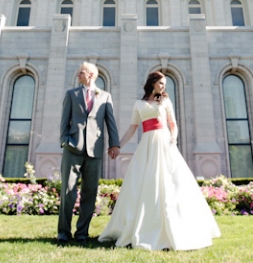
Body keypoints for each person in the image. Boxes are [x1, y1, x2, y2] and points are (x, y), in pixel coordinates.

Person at [98, 71, 221, 250]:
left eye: (165, 84)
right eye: (161, 83)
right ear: (153, 83)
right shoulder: (139, 104)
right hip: (147, 144)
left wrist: (173, 138)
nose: (163, 86)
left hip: (164, 142)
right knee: (142, 182)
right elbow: (132, 129)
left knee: (169, 181)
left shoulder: (165, 101)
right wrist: (117, 145)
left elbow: (173, 124)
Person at [58, 62, 120, 244]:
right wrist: (64, 140)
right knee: (68, 191)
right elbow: (64, 120)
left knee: (90, 193)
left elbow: (111, 122)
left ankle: (82, 233)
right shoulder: (71, 95)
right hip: (73, 148)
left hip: (95, 150)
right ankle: (63, 233)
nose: (78, 74)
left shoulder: (105, 96)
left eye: (82, 72)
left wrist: (114, 144)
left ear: (91, 75)